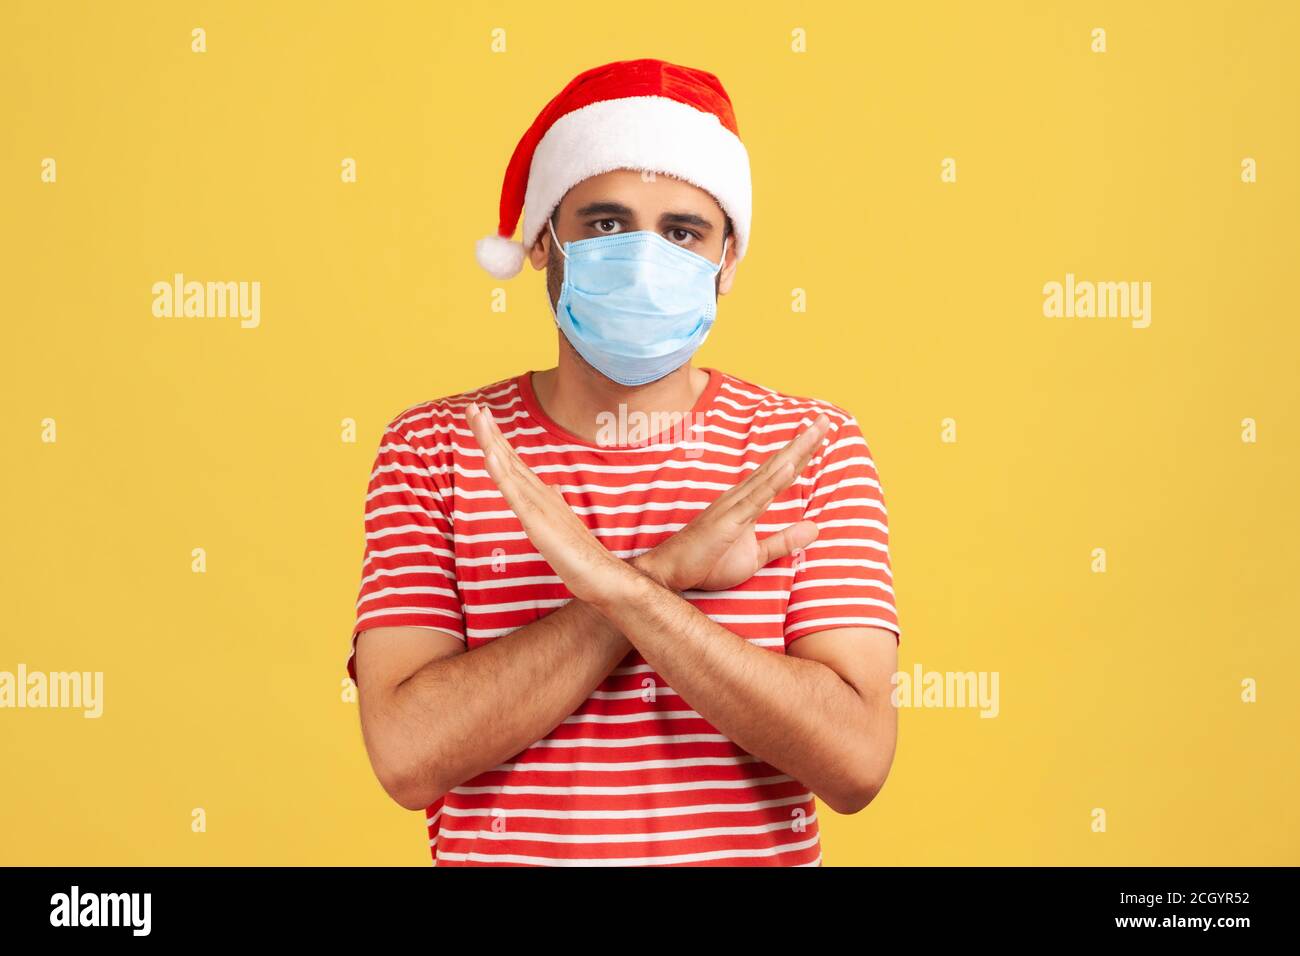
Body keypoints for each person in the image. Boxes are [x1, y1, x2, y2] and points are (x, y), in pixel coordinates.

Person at [347, 57, 900, 866]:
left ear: (729, 261)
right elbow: (406, 755)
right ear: (542, 241)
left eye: (682, 231)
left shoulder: (808, 448)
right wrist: (667, 571)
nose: (645, 261)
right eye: (606, 225)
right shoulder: (438, 448)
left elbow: (855, 763)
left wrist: (619, 586)